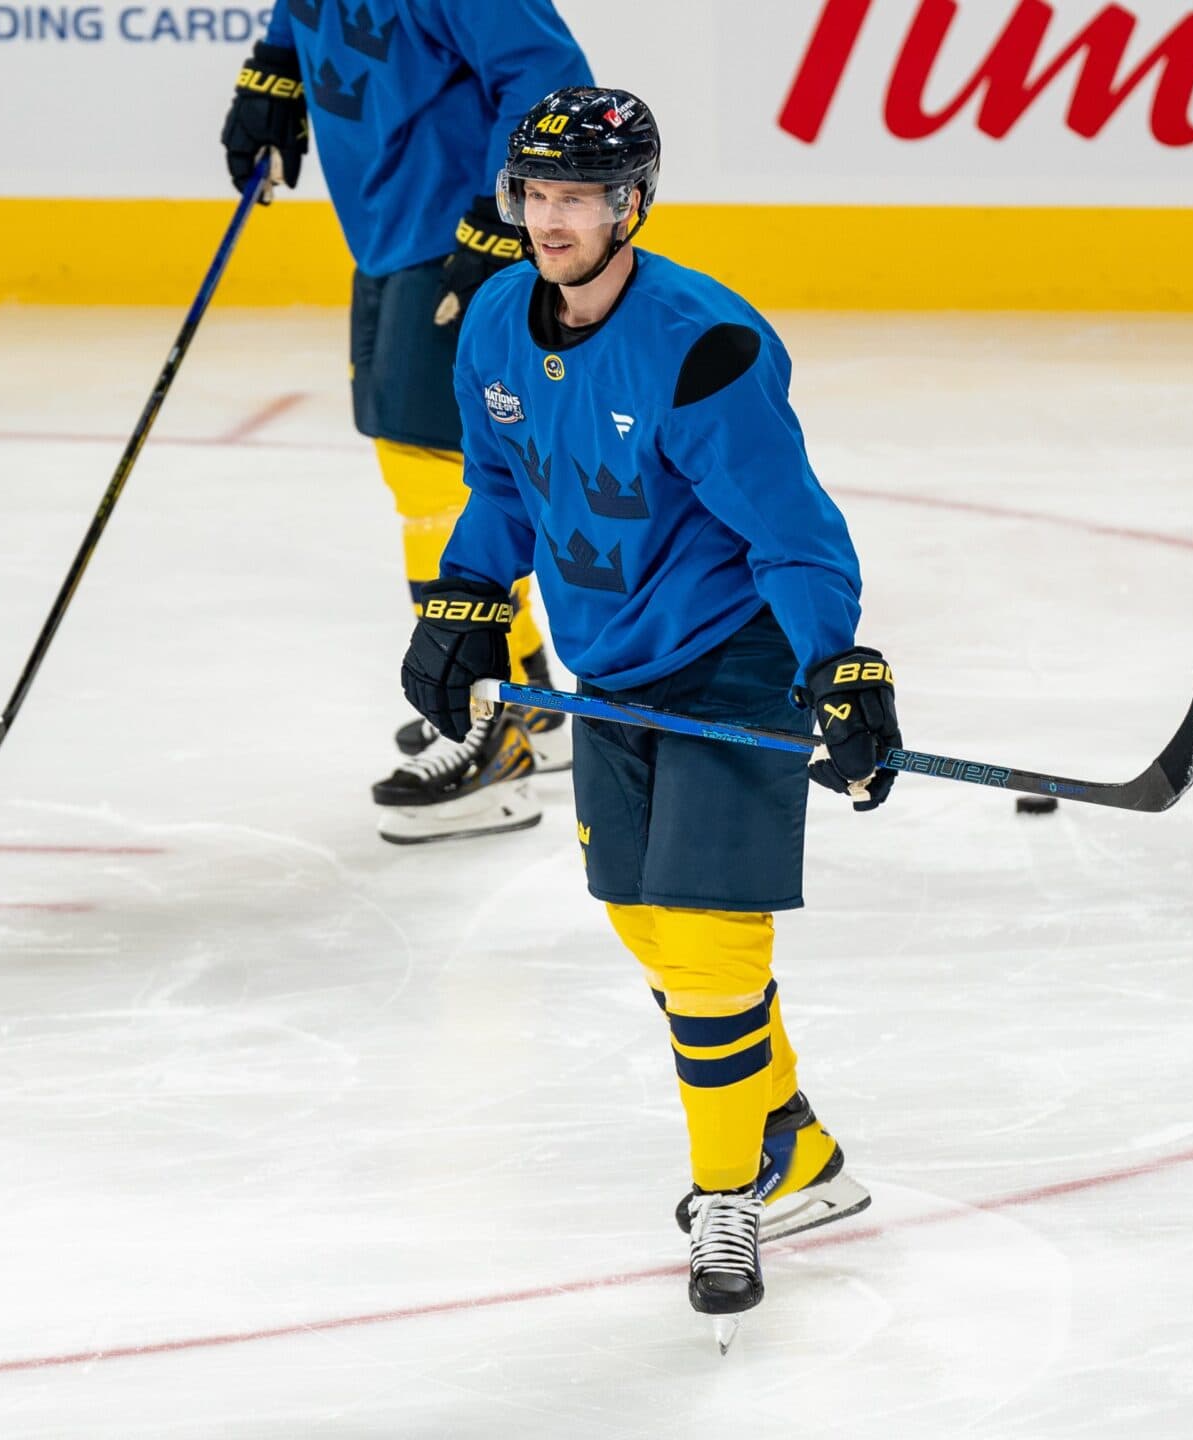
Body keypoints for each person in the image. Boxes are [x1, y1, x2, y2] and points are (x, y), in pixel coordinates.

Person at [400, 88, 901, 1345]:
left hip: (730, 659)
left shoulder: (702, 347)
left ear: (631, 204)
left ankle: (729, 1193)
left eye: (577, 197)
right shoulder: (497, 331)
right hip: (606, 658)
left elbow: (794, 536)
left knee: (711, 939)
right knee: (640, 920)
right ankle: (793, 1144)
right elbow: (502, 485)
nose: (551, 219)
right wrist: (466, 595)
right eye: (536, 195)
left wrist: (836, 669)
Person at [219, 0, 591, 844]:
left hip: (456, 232)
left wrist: (509, 209)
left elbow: (547, 71)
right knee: (412, 461)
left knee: (438, 474)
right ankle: (526, 693)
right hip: (386, 226)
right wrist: (274, 72)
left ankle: (485, 729)